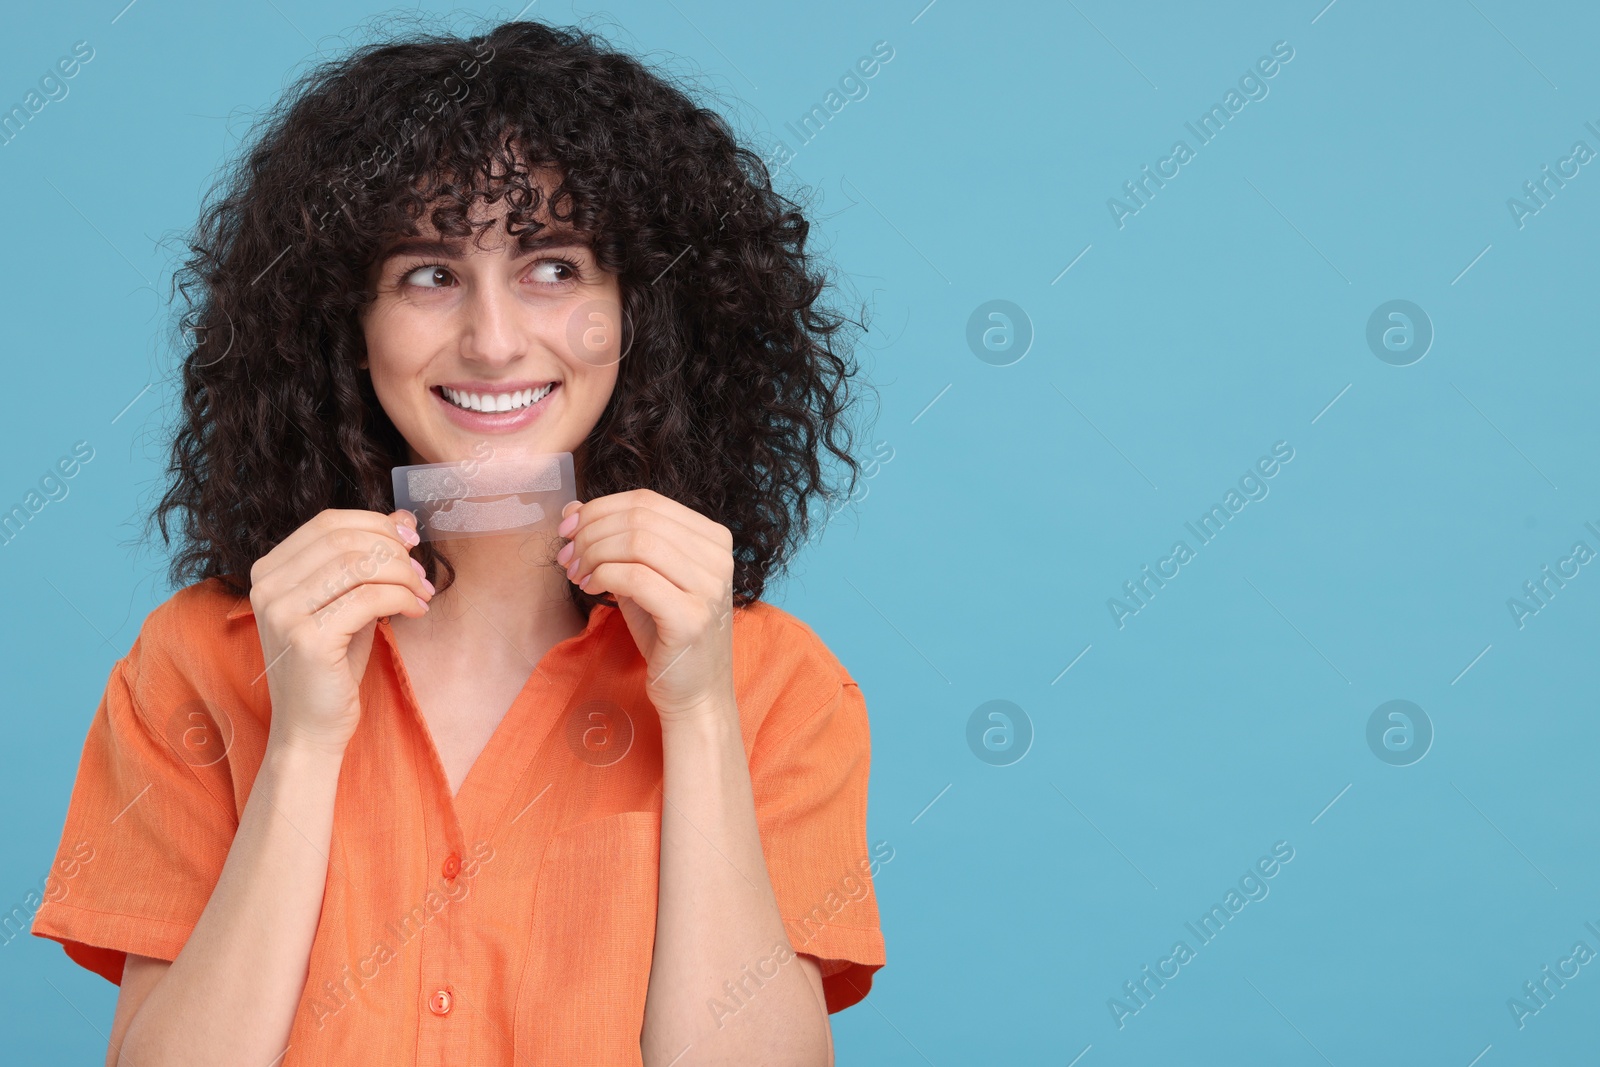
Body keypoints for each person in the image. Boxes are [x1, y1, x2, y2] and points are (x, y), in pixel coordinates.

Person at [31, 17, 885, 1066]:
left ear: (642, 315)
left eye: (556, 268)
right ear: (344, 320)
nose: (491, 339)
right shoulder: (200, 663)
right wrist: (299, 742)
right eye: (429, 274)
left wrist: (699, 714)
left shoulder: (775, 688)